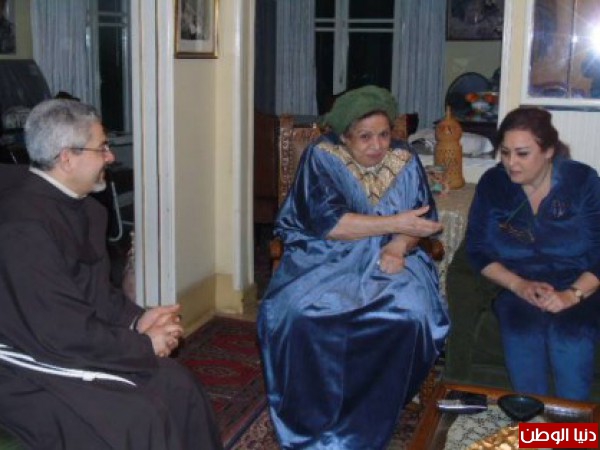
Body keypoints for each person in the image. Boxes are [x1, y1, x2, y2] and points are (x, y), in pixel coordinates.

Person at [0, 99, 223, 449]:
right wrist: (143, 345)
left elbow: (96, 294)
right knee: (140, 418)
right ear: (67, 158)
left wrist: (137, 320)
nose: (110, 156)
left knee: (179, 386)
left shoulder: (85, 209)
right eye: (102, 147)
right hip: (27, 363)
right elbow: (57, 331)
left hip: (68, 340)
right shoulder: (23, 227)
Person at [257, 85, 450, 449]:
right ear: (344, 137)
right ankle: (312, 418)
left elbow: (421, 220)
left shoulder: (405, 158)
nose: (377, 145)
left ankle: (373, 411)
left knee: (412, 314)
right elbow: (330, 225)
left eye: (384, 134)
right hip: (324, 255)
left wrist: (399, 244)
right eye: (365, 137)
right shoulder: (321, 156)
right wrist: (396, 223)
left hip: (393, 255)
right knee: (294, 313)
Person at [466, 106, 600, 401]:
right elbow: (476, 250)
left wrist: (572, 295)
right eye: (505, 152)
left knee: (571, 337)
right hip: (520, 285)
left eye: (522, 153)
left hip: (580, 284)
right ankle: (532, 422)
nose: (511, 163)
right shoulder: (493, 184)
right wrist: (518, 285)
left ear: (549, 151)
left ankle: (572, 426)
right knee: (521, 332)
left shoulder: (582, 181)